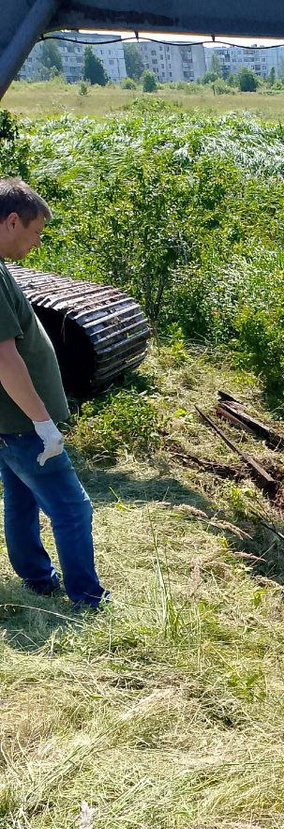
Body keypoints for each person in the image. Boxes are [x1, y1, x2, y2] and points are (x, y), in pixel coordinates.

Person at [0, 177, 106, 609]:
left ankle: (38, 579)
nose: (37, 242)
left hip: (9, 423)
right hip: (23, 425)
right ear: (11, 222)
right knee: (72, 509)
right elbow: (5, 360)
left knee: (21, 499)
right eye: (36, 231)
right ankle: (86, 597)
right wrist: (43, 424)